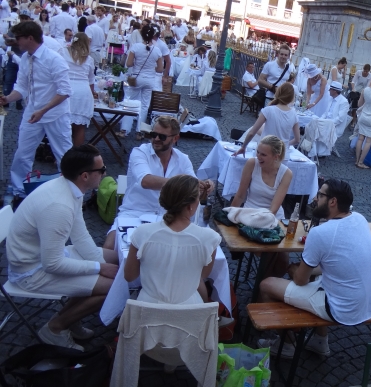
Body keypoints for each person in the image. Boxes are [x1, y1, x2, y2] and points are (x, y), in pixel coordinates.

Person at [6, 145, 119, 350]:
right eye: (101, 170)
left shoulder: (68, 187)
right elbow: (52, 264)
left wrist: (102, 262)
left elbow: (80, 235)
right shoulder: (59, 206)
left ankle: (70, 319)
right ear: (85, 175)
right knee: (114, 288)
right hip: (31, 272)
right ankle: (55, 328)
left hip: (41, 258)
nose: (105, 173)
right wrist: (100, 268)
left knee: (115, 258)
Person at [257, 179, 371, 358]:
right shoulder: (359, 218)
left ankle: (288, 344)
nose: (315, 198)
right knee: (316, 277)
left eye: (320, 195)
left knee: (266, 285)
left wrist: (293, 271)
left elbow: (300, 280)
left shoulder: (320, 233)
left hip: (341, 308)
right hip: (365, 304)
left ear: (333, 201)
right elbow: (337, 265)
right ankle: (320, 342)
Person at [104, 116, 213, 249]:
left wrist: (204, 188)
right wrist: (184, 184)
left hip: (169, 216)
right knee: (109, 247)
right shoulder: (139, 152)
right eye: (153, 134)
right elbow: (146, 181)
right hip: (135, 212)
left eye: (162, 136)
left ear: (175, 138)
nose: (155, 139)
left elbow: (192, 189)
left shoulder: (183, 159)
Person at [124, 175, 222, 305]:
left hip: (147, 308)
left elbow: (129, 276)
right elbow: (202, 275)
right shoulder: (210, 238)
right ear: (190, 206)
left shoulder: (142, 233)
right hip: (188, 308)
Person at [1, 22, 72, 198]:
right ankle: (19, 190)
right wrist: (7, 99)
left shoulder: (54, 60)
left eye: (18, 38)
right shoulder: (25, 58)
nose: (16, 42)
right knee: (22, 153)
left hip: (56, 114)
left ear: (29, 38)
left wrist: (43, 110)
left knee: (64, 155)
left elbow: (64, 92)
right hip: (32, 111)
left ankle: (71, 192)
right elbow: (22, 87)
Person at [231, 135, 293, 221]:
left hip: (271, 217)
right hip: (248, 213)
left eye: (263, 154)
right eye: (258, 152)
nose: (258, 157)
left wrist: (259, 223)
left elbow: (273, 209)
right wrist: (229, 215)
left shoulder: (286, 174)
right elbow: (240, 195)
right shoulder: (252, 163)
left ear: (276, 157)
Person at [235, 82, 300, 154]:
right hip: (282, 154)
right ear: (291, 97)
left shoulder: (268, 110)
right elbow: (297, 140)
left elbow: (252, 132)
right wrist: (285, 145)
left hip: (264, 152)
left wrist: (244, 146)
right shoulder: (294, 114)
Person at [124, 24, 163, 133]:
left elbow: (129, 63)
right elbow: (160, 69)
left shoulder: (135, 47)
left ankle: (125, 129)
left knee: (130, 102)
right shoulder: (157, 50)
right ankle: (140, 131)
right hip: (150, 79)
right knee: (145, 106)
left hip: (137, 78)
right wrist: (151, 67)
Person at [63, 33, 95, 147]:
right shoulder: (89, 59)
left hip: (66, 89)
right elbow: (91, 80)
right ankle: (76, 157)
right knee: (79, 128)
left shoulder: (63, 52)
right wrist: (93, 94)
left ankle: (60, 155)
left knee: (63, 126)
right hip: (83, 92)